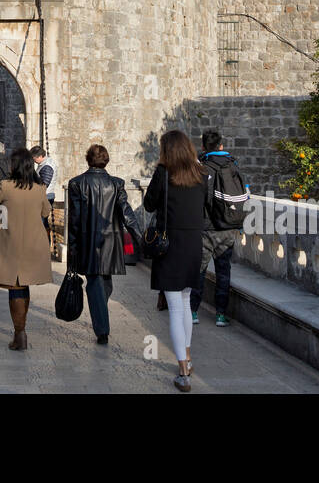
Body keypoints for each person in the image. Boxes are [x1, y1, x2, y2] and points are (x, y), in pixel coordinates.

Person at [144, 130, 207, 392]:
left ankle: (183, 371)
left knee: (175, 308)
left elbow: (149, 204)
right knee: (185, 303)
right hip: (193, 244)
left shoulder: (163, 173)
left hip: (170, 244)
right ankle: (187, 358)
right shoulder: (201, 173)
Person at [66, 144, 142, 345]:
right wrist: (140, 239)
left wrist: (73, 246)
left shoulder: (77, 183)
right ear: (106, 160)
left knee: (101, 284)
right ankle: (102, 330)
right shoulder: (116, 184)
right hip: (111, 240)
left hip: (88, 241)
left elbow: (74, 219)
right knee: (99, 282)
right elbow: (127, 214)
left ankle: (100, 319)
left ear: (88, 159)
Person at [0, 147, 52, 351]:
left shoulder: (6, 186)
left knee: (16, 288)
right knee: (23, 285)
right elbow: (46, 211)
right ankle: (21, 330)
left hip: (12, 245)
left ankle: (20, 333)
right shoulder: (38, 189)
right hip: (33, 244)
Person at [195, 131, 241, 327]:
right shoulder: (232, 165)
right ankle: (221, 314)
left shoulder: (201, 167)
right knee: (223, 271)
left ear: (203, 147)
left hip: (205, 227)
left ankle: (193, 311)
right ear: (221, 146)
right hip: (227, 227)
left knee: (199, 270)